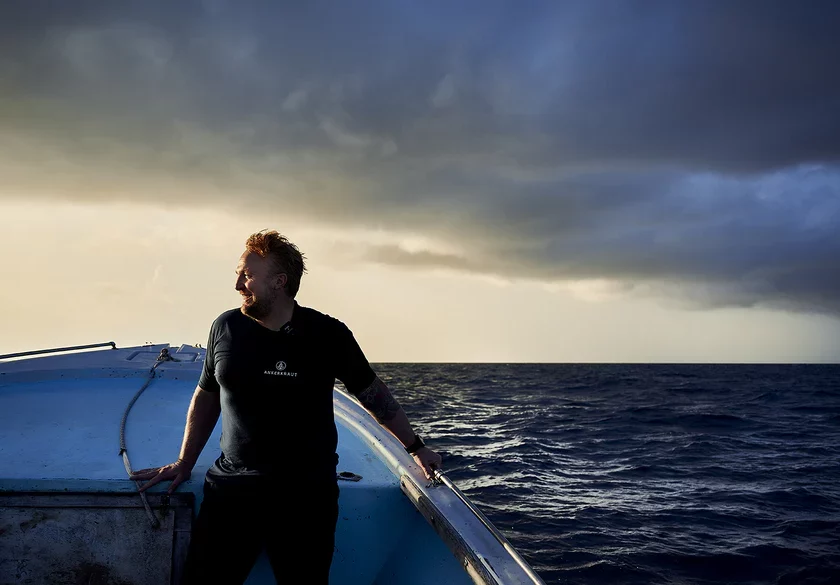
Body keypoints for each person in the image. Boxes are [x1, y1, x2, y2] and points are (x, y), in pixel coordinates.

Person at [130, 229, 443, 584]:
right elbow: (206, 395)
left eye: (247, 276)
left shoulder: (328, 334)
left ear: (279, 282)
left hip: (305, 496)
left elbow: (372, 394)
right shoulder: (226, 327)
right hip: (232, 491)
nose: (237, 285)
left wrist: (415, 447)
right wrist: (185, 462)